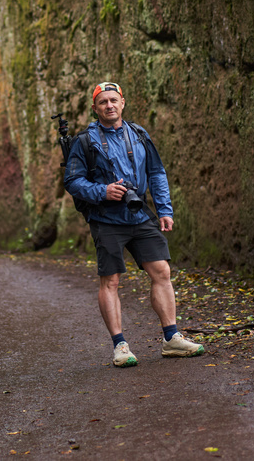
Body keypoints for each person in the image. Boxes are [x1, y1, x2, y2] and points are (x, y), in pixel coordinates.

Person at [64, 81, 204, 367]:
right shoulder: (84, 141)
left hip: (139, 213)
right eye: (103, 102)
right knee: (111, 280)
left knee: (161, 270)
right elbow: (73, 181)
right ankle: (120, 346)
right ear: (95, 108)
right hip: (106, 218)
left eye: (113, 100)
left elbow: (156, 172)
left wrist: (164, 210)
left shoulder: (139, 134)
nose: (109, 105)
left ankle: (171, 339)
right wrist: (103, 191)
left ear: (123, 102)